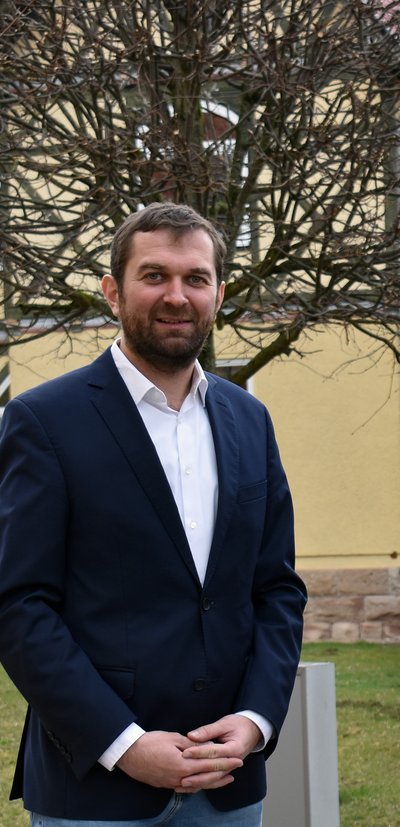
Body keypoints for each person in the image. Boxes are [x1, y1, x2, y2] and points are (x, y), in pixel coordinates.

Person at [0, 203, 307, 825]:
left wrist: (254, 721)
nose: (176, 296)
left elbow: (276, 589)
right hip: (96, 787)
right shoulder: (43, 421)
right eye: (154, 276)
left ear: (218, 294)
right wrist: (124, 743)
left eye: (195, 278)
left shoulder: (250, 418)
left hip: (227, 782)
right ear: (113, 291)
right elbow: (18, 604)